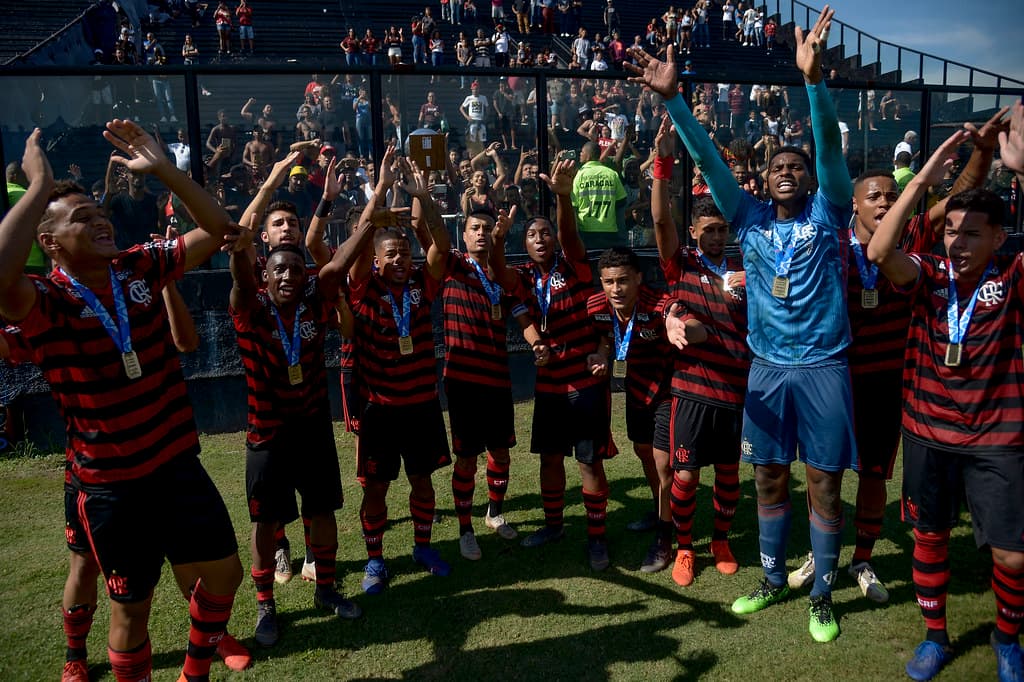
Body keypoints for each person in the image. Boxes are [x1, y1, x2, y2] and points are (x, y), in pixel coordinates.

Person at [627, 6, 854, 642]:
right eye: (778, 165)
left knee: (825, 486)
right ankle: (773, 578)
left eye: (796, 165)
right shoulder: (747, 217)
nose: (788, 169)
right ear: (764, 177)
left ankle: (824, 596)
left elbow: (830, 145)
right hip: (765, 371)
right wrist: (674, 101)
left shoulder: (831, 213)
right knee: (768, 476)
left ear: (808, 178)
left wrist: (813, 83)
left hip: (824, 367)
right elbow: (706, 156)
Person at [0, 124, 245, 682]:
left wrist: (163, 170)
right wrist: (37, 186)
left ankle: (194, 672)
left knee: (226, 575)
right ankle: (78, 658)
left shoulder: (138, 265)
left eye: (98, 211)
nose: (99, 219)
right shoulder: (46, 301)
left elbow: (218, 227)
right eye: (80, 218)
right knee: (131, 611)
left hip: (177, 467)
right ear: (51, 242)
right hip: (112, 487)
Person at [866, 114, 1024, 682]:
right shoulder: (929, 273)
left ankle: (1008, 639)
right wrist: (924, 179)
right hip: (928, 433)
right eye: (951, 231)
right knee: (928, 536)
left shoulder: (1013, 276)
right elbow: (882, 252)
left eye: (971, 232)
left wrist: (1021, 171)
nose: (957, 241)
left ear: (999, 237)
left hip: (998, 439)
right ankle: (935, 637)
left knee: (1012, 554)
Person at [228, 200, 363, 646]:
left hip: (312, 430)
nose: (288, 276)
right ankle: (266, 605)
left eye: (295, 271)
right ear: (264, 277)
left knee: (322, 511)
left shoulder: (314, 306)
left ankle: (326, 587)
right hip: (267, 435)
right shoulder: (252, 309)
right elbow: (239, 284)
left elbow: (337, 266)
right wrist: (237, 251)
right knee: (265, 524)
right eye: (278, 271)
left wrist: (371, 219)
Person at [490, 159, 616, 571]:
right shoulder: (525, 277)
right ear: (524, 244)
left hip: (583, 380)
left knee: (587, 460)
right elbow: (512, 295)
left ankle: (597, 537)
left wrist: (563, 197)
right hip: (549, 385)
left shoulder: (575, 267)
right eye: (532, 235)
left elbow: (569, 235)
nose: (541, 239)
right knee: (549, 458)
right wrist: (536, 345)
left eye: (545, 233)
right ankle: (554, 524)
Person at [345, 149, 454, 593]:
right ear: (376, 260)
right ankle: (375, 561)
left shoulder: (420, 286)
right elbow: (359, 239)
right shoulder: (361, 289)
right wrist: (380, 188)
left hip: (422, 406)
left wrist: (423, 197)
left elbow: (441, 247)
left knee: (423, 481)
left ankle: (423, 546)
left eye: (404, 252)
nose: (400, 259)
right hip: (381, 412)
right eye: (391, 254)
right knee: (376, 490)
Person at [650, 117, 748, 587]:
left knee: (729, 474)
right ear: (693, 232)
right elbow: (659, 218)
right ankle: (685, 547)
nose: (715, 237)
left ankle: (721, 539)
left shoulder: (745, 267)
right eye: (707, 230)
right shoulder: (680, 265)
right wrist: (663, 165)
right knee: (685, 477)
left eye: (720, 229)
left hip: (735, 389)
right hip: (690, 393)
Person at [586, 246, 674, 571]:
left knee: (664, 464)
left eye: (623, 280)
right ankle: (659, 508)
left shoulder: (659, 306)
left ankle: (665, 539)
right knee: (643, 450)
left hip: (668, 391)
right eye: (609, 282)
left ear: (638, 278)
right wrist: (600, 354)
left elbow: (678, 322)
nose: (616, 289)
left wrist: (678, 325)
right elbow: (605, 340)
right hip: (636, 391)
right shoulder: (597, 307)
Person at [442, 206, 521, 561]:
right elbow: (428, 233)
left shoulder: (505, 275)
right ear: (463, 233)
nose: (480, 234)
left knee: (501, 453)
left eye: (487, 228)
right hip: (463, 383)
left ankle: (493, 512)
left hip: (499, 379)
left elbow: (521, 311)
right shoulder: (452, 266)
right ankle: (464, 529)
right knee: (466, 459)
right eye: (474, 228)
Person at [570, 141, 627, 249]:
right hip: (610, 231)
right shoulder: (611, 174)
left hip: (586, 231)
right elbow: (621, 201)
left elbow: (574, 205)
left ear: (588, 156)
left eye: (582, 152)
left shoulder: (579, 175)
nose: (580, 155)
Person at [461, 81, 490, 146]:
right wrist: (467, 117)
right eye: (474, 89)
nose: (475, 90)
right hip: (472, 120)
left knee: (483, 136)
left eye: (477, 89)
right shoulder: (469, 98)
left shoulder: (483, 98)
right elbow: (461, 108)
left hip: (481, 120)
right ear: (472, 89)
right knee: (472, 135)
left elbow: (487, 107)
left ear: (479, 89)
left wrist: (486, 117)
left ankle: (483, 151)